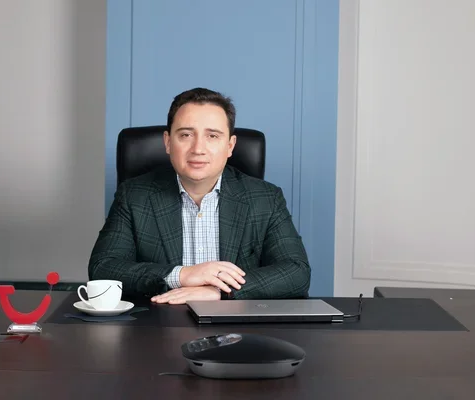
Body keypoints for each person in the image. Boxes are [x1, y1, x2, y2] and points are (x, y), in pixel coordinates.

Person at [88, 87, 311, 304]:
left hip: (236, 323)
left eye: (212, 136)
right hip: (160, 320)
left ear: (230, 145)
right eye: (186, 135)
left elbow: (297, 273)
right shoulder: (134, 196)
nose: (198, 149)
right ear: (168, 142)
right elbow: (103, 268)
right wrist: (182, 275)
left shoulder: (266, 198)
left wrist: (221, 292)